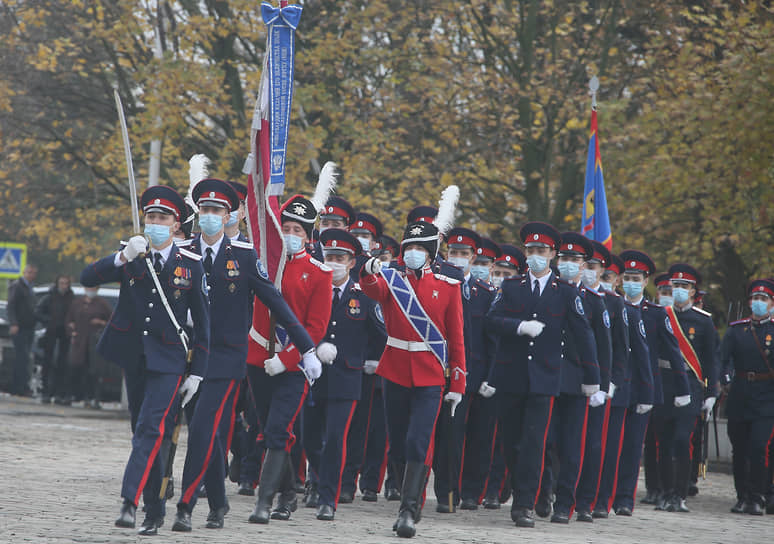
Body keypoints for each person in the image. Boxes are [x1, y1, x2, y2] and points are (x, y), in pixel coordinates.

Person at [171, 178, 317, 531]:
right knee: (210, 435)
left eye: (216, 211)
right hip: (188, 359)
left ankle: (185, 505)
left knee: (204, 431)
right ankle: (219, 504)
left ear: (229, 216)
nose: (209, 216)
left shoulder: (246, 256)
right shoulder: (182, 253)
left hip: (225, 361)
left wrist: (306, 346)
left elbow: (276, 303)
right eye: (204, 209)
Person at [81, 185, 210, 535]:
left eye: (162, 218)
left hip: (169, 360)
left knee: (151, 429)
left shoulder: (191, 265)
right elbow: (87, 277)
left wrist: (197, 372)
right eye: (150, 217)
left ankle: (129, 503)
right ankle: (154, 507)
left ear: (175, 224)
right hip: (134, 356)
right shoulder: (131, 254)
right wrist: (121, 258)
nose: (155, 222)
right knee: (142, 432)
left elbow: (202, 326)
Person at [486, 222, 598, 529]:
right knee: (511, 443)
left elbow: (583, 333)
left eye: (542, 251)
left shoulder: (564, 291)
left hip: (545, 378)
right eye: (531, 250)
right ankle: (534, 488)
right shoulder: (510, 287)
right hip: (512, 376)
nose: (536, 256)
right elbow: (492, 320)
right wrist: (517, 326)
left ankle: (524, 504)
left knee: (534, 442)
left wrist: (592, 377)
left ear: (552, 254)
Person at [359, 219, 466, 538]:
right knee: (399, 445)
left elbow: (456, 338)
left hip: (430, 374)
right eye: (410, 248)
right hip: (394, 370)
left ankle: (408, 508)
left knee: (419, 440)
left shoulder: (448, 287)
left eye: (420, 248)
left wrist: (457, 382)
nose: (414, 253)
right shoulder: (391, 280)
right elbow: (372, 288)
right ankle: (408, 499)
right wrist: (368, 269)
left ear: (431, 254)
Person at [246, 192, 328, 525]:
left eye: (298, 229)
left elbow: (316, 327)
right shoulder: (260, 263)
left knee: (279, 430)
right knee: (267, 429)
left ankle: (266, 502)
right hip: (257, 358)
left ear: (308, 236)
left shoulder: (319, 273)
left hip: (292, 366)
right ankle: (289, 491)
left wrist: (288, 358)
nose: (290, 234)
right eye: (286, 227)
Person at [302, 229, 387, 521]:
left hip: (347, 377)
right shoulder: (312, 287)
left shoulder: (363, 295)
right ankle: (316, 476)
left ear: (352, 262)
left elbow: (381, 334)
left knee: (336, 438)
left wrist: (370, 360)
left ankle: (328, 497)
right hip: (312, 374)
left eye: (340, 258)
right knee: (309, 438)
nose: (334, 262)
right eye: (330, 257)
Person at [536, 232, 606, 524]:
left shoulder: (594, 301)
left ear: (583, 265)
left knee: (571, 445)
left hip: (578, 383)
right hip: (546, 377)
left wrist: (600, 384)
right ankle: (542, 494)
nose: (567, 263)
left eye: (574, 259)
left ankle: (566, 502)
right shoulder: (545, 291)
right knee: (544, 441)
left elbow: (604, 347)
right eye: (563, 258)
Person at [658, 263, 718, 511]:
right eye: (676, 285)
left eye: (685, 286)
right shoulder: (661, 314)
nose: (680, 290)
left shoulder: (703, 322)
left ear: (694, 291)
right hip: (663, 385)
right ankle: (665, 492)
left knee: (683, 440)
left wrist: (711, 392)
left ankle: (680, 494)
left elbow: (710, 360)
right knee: (664, 441)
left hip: (690, 388)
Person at [720, 279, 774, 515]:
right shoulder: (736, 329)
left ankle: (758, 495)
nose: (758, 303)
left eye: (764, 299)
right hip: (740, 393)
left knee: (759, 447)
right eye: (755, 299)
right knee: (739, 449)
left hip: (767, 397)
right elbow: (721, 359)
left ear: (772, 304)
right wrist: (725, 379)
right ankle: (742, 495)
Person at [65, 286, 113, 407]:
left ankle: (93, 398)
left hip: (94, 342)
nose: (91, 291)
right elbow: (69, 320)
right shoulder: (77, 303)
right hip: (79, 341)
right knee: (75, 368)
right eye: (89, 288)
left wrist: (101, 323)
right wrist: (71, 330)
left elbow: (112, 321)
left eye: (93, 288)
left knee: (94, 371)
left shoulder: (102, 304)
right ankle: (72, 395)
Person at [36, 275, 75, 404]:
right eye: (61, 283)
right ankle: (46, 392)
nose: (63, 286)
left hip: (65, 334)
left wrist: (71, 324)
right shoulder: (49, 298)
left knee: (63, 363)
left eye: (66, 283)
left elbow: (75, 314)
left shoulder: (71, 298)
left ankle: (60, 393)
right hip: (51, 333)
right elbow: (39, 312)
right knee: (47, 362)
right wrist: (49, 321)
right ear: (57, 283)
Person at [7, 264, 38, 397]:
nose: (31, 275)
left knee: (25, 358)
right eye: (29, 272)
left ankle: (20, 387)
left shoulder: (30, 287)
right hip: (20, 327)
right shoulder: (17, 286)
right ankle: (19, 387)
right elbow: (11, 306)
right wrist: (14, 323)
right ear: (24, 273)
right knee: (22, 358)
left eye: (33, 273)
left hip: (29, 328)